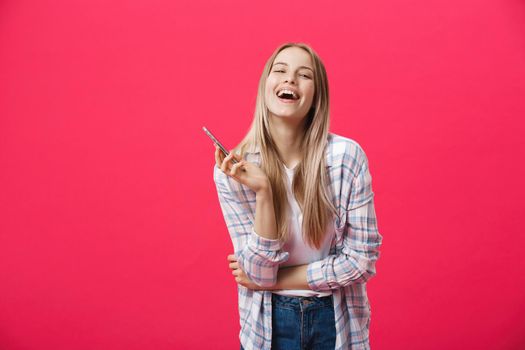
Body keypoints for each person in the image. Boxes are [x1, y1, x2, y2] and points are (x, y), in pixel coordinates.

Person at [212, 42, 383, 350]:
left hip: (335, 320)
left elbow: (360, 262)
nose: (290, 79)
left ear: (317, 98)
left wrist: (278, 279)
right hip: (268, 325)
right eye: (280, 71)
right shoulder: (235, 170)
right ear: (266, 87)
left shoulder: (346, 158)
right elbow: (256, 272)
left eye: (304, 75)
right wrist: (264, 192)